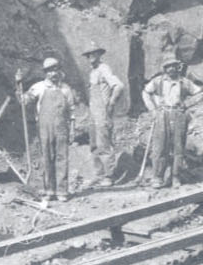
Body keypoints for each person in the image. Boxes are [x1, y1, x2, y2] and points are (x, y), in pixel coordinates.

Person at [18, 57, 80, 201]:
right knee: (47, 157)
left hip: (62, 127)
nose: (53, 73)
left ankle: (62, 191)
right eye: (50, 71)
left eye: (56, 69)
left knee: (62, 157)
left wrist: (72, 129)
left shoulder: (66, 89)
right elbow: (23, 100)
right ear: (45, 73)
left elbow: (71, 112)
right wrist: (18, 84)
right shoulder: (39, 87)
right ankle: (49, 190)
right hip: (44, 127)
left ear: (59, 70)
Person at [141, 58, 203, 188]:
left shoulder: (184, 82)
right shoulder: (158, 81)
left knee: (178, 147)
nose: (171, 69)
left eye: (173, 66)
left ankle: (176, 177)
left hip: (179, 115)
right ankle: (158, 177)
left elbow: (200, 93)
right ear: (164, 68)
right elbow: (146, 93)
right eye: (168, 66)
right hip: (162, 114)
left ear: (178, 67)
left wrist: (187, 104)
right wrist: (152, 110)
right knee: (160, 147)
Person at [83, 45, 124, 185]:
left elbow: (118, 86)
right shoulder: (92, 72)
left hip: (102, 111)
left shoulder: (104, 68)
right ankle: (99, 174)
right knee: (94, 144)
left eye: (93, 54)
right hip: (93, 111)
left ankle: (108, 175)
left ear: (99, 54)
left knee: (104, 143)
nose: (91, 57)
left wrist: (111, 103)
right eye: (88, 55)